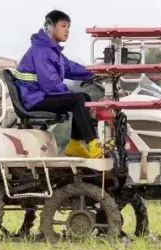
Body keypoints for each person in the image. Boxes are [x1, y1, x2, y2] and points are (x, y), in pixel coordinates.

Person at [13, 10, 103, 158]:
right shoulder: (42, 51)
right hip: (34, 99)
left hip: (41, 96)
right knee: (78, 100)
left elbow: (71, 67)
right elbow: (50, 85)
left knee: (84, 98)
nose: (67, 31)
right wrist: (70, 94)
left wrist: (96, 72)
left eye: (68, 27)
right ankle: (93, 143)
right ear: (49, 26)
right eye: (63, 26)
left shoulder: (53, 51)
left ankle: (75, 144)